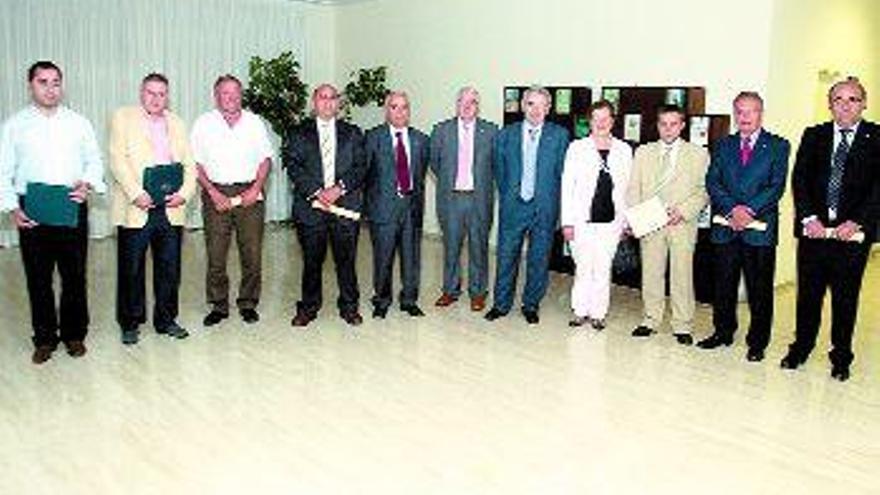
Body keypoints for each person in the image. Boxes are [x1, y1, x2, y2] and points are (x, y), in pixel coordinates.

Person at [0, 61, 105, 364]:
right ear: (30, 85)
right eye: (43, 82)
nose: (50, 88)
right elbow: (4, 171)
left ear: (62, 85)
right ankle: (44, 338)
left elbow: (94, 161)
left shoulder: (79, 123)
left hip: (71, 205)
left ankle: (74, 335)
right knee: (38, 278)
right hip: (31, 210)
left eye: (56, 82)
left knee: (74, 276)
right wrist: (12, 208)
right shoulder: (14, 125)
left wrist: (87, 184)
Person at [782, 78, 880, 381]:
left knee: (845, 298)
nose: (846, 105)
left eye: (853, 99)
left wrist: (857, 221)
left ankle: (841, 356)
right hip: (814, 233)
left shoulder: (876, 136)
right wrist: (809, 217)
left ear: (864, 103)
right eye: (839, 99)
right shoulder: (814, 135)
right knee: (808, 295)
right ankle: (801, 347)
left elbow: (878, 188)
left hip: (853, 236)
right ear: (830, 104)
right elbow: (800, 179)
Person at [698, 91, 790, 362]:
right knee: (723, 285)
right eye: (739, 111)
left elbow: (776, 186)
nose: (744, 117)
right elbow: (713, 181)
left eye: (750, 111)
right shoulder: (723, 144)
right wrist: (732, 210)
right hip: (725, 226)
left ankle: (757, 342)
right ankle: (723, 333)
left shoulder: (778, 146)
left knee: (759, 289)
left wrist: (747, 211)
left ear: (761, 113)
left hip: (759, 229)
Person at [109, 72, 197, 345]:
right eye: (151, 92)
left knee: (169, 268)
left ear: (167, 96)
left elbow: (190, 166)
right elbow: (116, 160)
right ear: (141, 92)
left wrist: (184, 194)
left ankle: (166, 319)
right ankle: (130, 322)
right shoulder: (123, 117)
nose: (156, 98)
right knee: (131, 268)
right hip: (137, 207)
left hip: (171, 208)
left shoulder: (178, 122)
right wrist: (136, 193)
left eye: (162, 94)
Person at [191, 74, 273, 327]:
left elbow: (266, 159)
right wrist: (213, 192)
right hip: (216, 194)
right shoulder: (203, 123)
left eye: (236, 92)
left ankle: (248, 302)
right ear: (216, 97)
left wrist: (256, 188)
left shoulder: (254, 122)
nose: (232, 97)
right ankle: (219, 305)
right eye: (226, 93)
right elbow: (195, 163)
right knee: (216, 254)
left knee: (252, 253)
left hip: (250, 194)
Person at [485, 85, 570, 325]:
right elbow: (500, 173)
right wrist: (512, 195)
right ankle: (501, 304)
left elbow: (562, 174)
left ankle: (531, 304)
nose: (536, 110)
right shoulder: (506, 135)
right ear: (523, 106)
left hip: (544, 208)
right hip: (514, 206)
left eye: (542, 105)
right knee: (506, 256)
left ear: (549, 109)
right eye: (531, 104)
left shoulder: (560, 135)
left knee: (539, 259)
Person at [627, 104, 709, 344]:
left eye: (674, 124)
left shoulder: (698, 154)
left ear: (682, 125)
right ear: (658, 125)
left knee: (682, 274)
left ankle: (682, 325)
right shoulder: (643, 152)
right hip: (650, 222)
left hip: (681, 223)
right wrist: (636, 218)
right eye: (664, 124)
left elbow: (704, 191)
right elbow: (633, 189)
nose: (668, 129)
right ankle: (650, 319)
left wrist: (682, 212)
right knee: (651, 273)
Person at [285, 83, 366, 327]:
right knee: (312, 262)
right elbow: (293, 165)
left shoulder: (352, 132)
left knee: (347, 261)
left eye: (333, 98)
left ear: (338, 103)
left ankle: (350, 307)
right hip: (311, 208)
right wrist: (317, 192)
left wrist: (338, 189)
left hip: (344, 206)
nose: (328, 102)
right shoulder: (299, 132)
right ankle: (308, 307)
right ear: (314, 101)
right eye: (323, 97)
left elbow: (361, 166)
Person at [560, 100, 632, 330]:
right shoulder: (576, 148)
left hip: (612, 221)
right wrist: (567, 222)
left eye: (605, 118)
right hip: (581, 221)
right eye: (596, 118)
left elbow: (629, 189)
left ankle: (598, 313)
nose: (601, 123)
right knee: (583, 268)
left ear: (613, 120)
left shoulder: (624, 150)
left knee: (603, 268)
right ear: (589, 121)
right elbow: (567, 187)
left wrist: (626, 222)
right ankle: (580, 311)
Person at [429, 86, 497, 312]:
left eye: (472, 102)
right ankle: (450, 290)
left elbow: (496, 167)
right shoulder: (441, 130)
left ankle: (478, 293)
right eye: (462, 101)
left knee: (479, 248)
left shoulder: (491, 131)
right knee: (451, 248)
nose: (467, 106)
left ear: (478, 106)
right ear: (456, 104)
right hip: (451, 200)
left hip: (479, 200)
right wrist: (453, 182)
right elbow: (435, 164)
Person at [363, 90, 430, 319]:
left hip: (411, 210)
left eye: (404, 107)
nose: (399, 112)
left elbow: (420, 175)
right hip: (382, 210)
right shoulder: (372, 137)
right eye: (394, 107)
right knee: (383, 258)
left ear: (409, 111)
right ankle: (381, 300)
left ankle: (409, 300)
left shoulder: (421, 140)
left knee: (411, 259)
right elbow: (364, 174)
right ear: (386, 110)